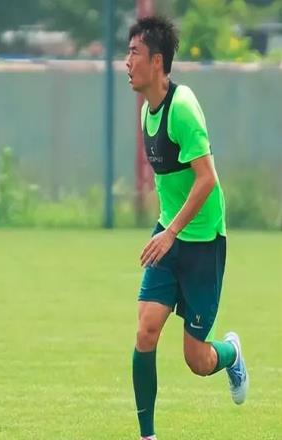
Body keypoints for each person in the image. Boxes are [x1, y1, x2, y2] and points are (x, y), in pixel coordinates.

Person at [125, 16, 249, 440]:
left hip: (202, 243)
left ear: (157, 61)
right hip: (170, 238)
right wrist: (166, 231)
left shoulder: (183, 107)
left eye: (134, 53)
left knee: (197, 360)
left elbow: (206, 179)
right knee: (146, 331)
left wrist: (172, 232)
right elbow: (169, 185)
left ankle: (231, 355)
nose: (127, 62)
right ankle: (147, 435)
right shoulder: (146, 113)